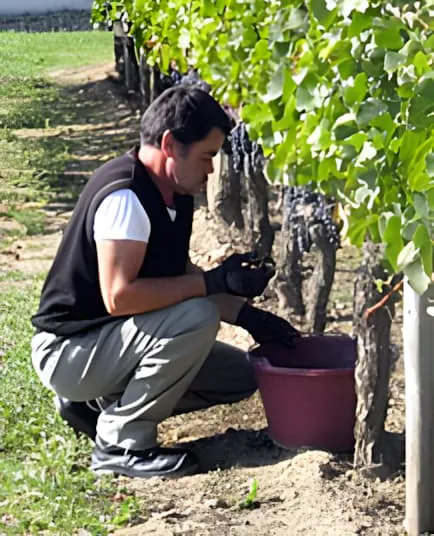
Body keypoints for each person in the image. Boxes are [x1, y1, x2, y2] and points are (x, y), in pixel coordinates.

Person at [31, 86, 299, 479]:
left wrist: (248, 317)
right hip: (70, 351)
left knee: (242, 375)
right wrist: (212, 283)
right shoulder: (125, 198)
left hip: (110, 344)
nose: (211, 169)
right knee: (198, 316)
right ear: (171, 144)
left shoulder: (172, 192)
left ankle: (99, 406)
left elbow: (179, 276)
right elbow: (119, 296)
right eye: (208, 156)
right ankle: (121, 444)